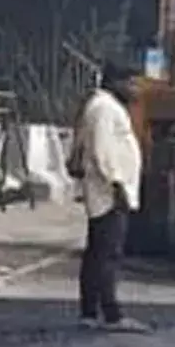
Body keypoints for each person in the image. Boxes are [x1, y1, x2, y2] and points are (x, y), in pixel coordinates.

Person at [71, 62, 146, 333]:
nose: (135, 88)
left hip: (106, 190)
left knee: (98, 253)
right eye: (131, 82)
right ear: (115, 81)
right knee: (107, 255)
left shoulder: (103, 106)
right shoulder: (104, 109)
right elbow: (102, 151)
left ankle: (90, 312)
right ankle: (111, 314)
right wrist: (118, 186)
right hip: (108, 192)